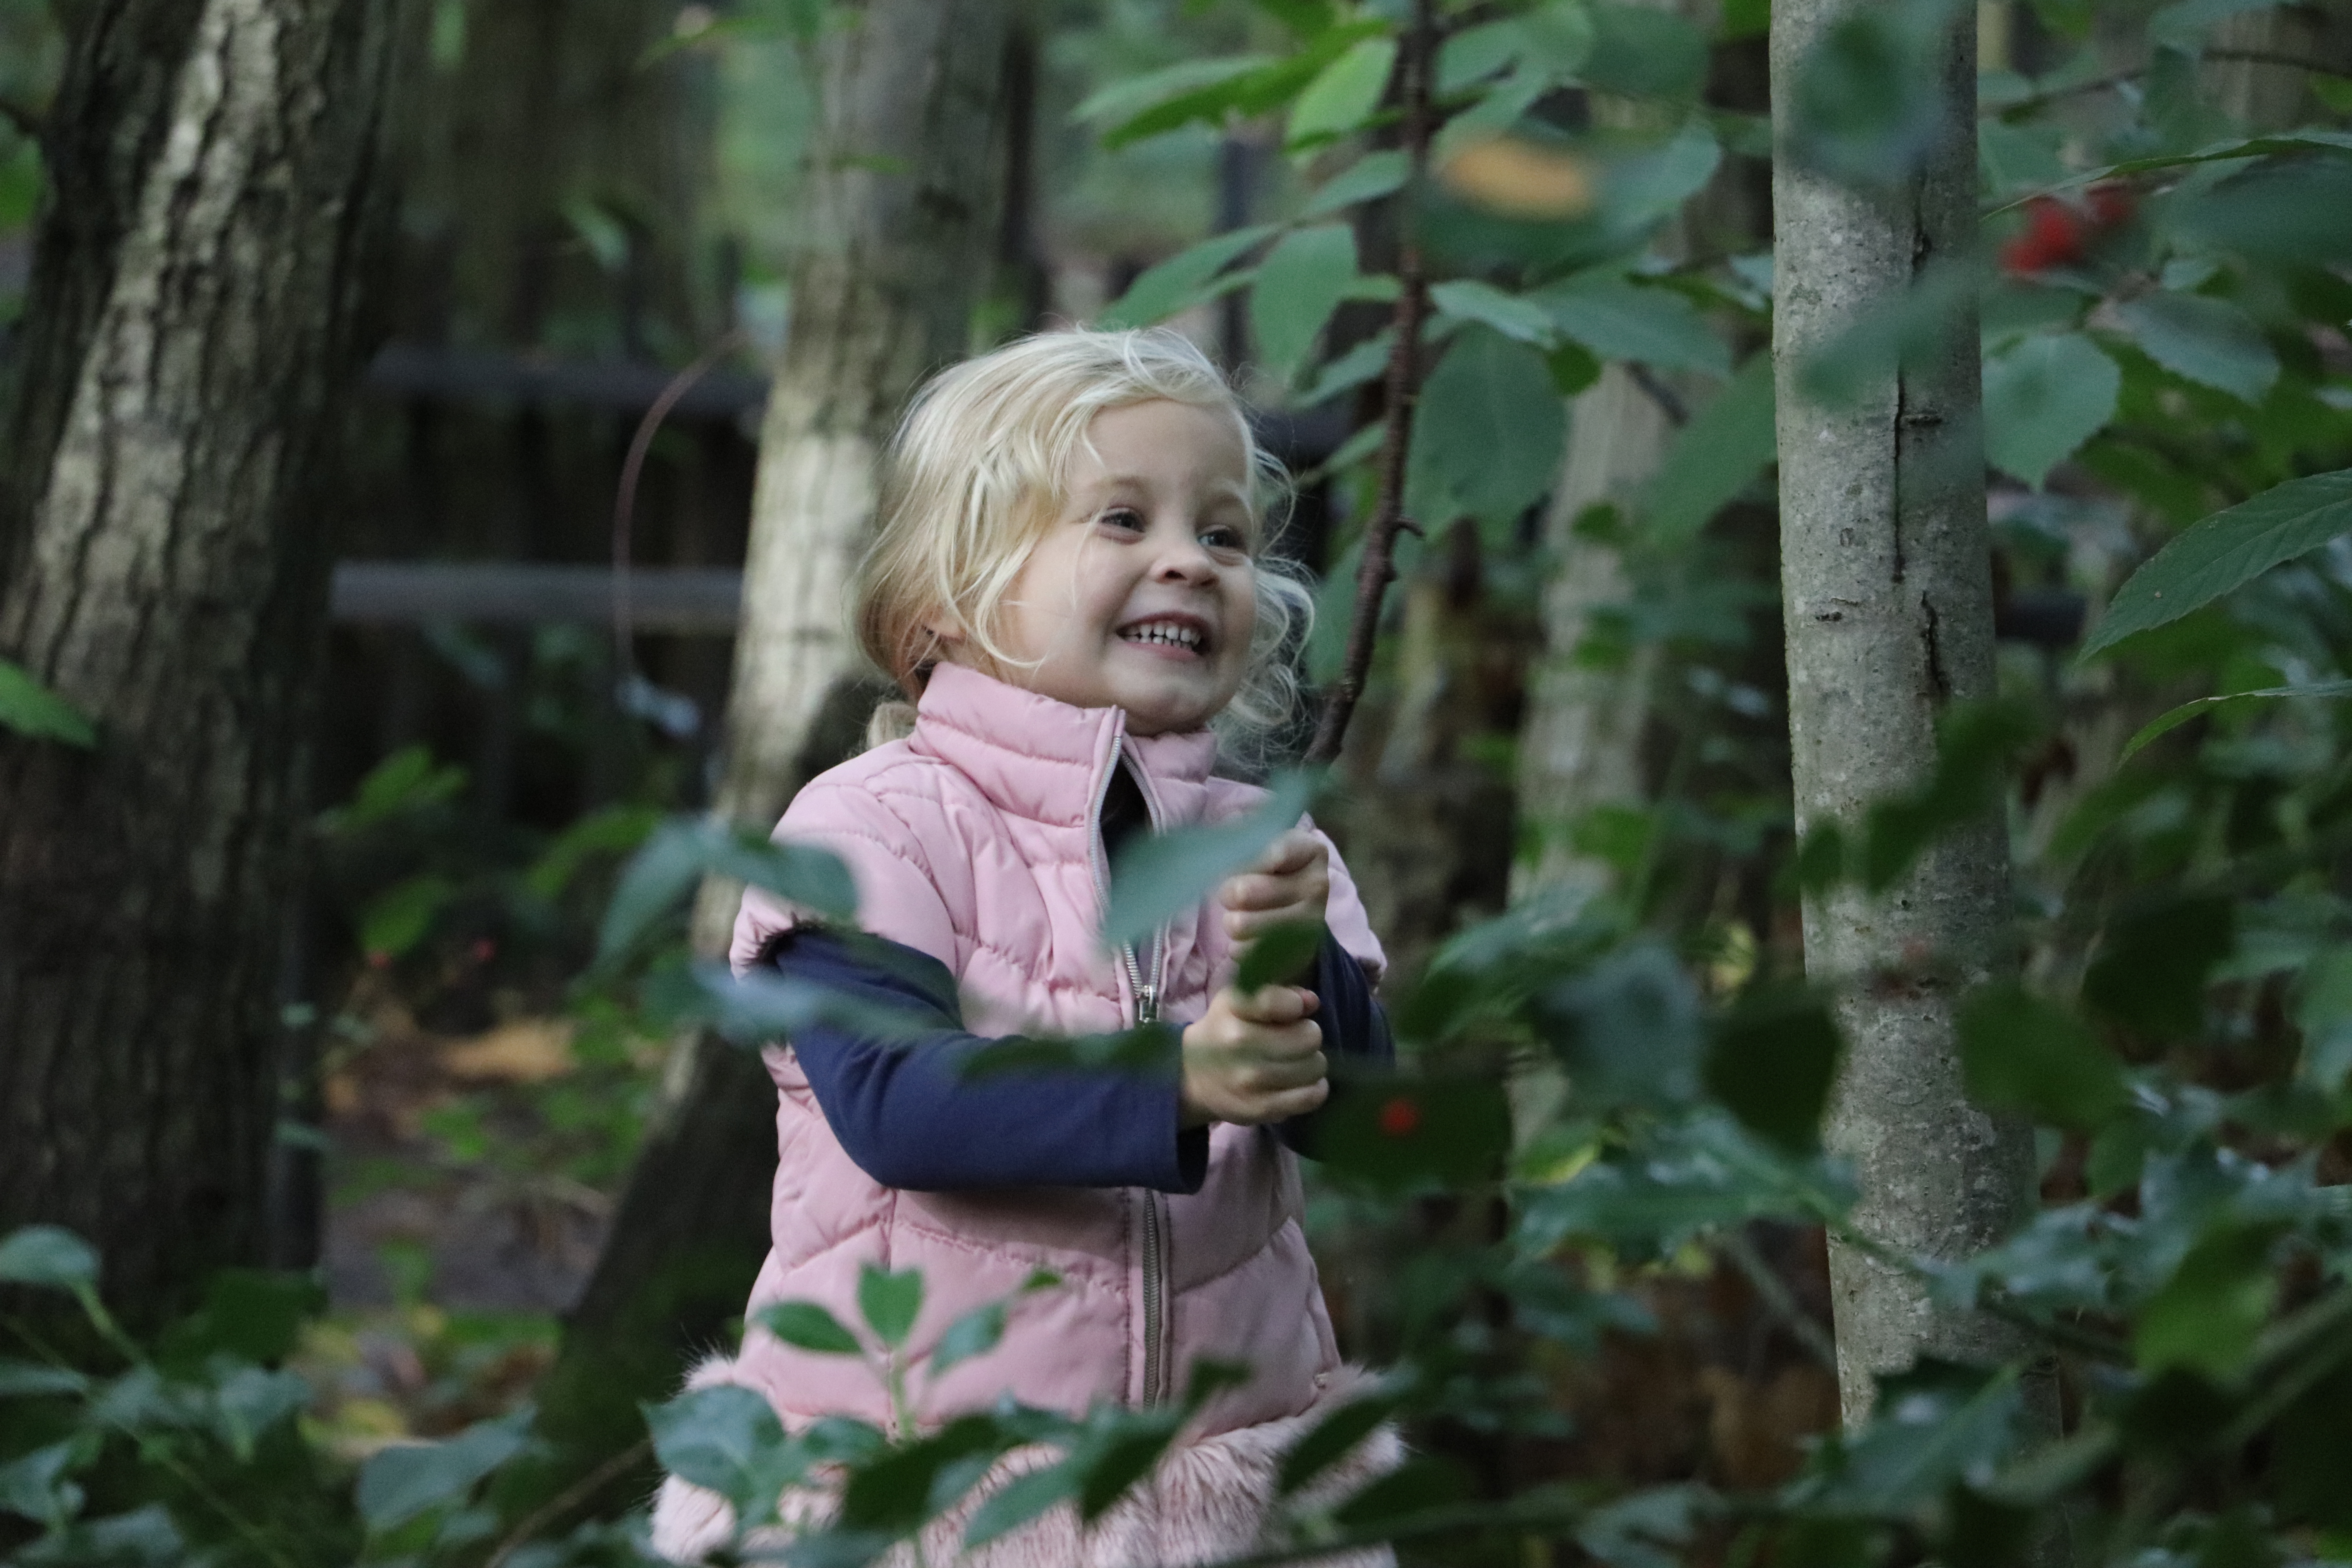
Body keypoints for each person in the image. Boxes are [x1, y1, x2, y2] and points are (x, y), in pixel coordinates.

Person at [650, 329, 1398, 1566]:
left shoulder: (1261, 841)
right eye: (1124, 520)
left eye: (1224, 535)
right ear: (949, 596)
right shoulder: (874, 825)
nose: (1189, 560)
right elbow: (897, 1109)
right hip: (925, 1490)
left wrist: (1300, 964)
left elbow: (1368, 1126)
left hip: (1221, 1490)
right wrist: (1179, 1080)